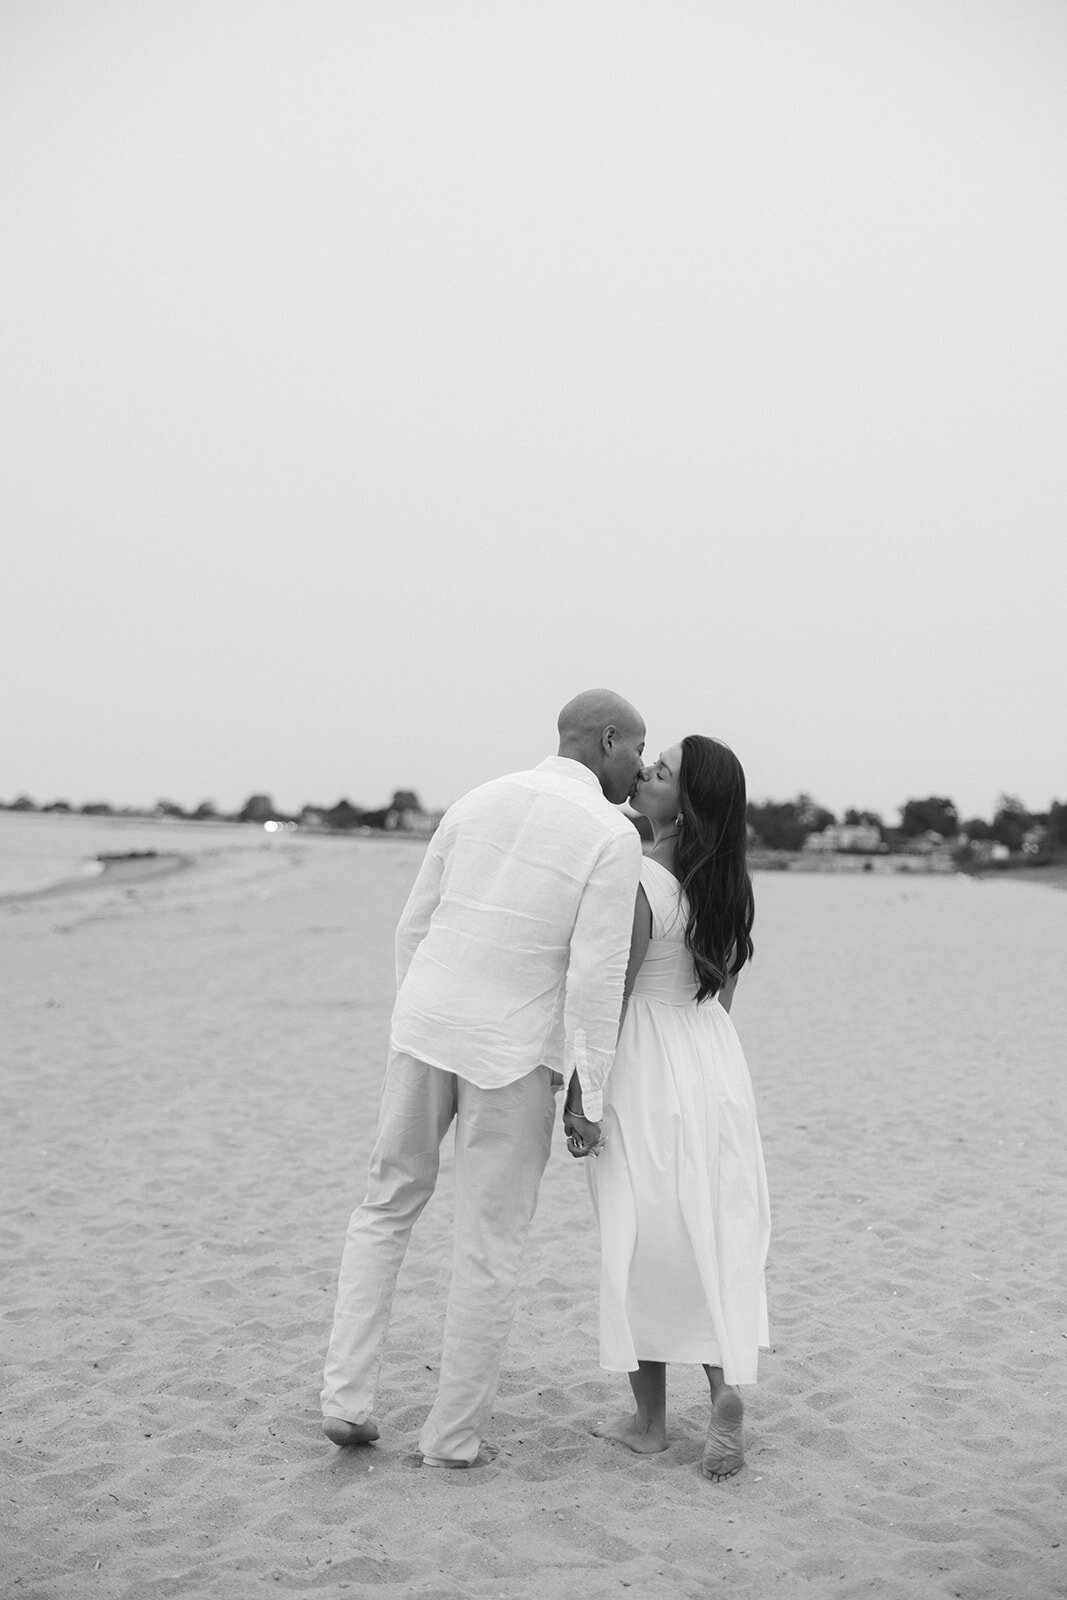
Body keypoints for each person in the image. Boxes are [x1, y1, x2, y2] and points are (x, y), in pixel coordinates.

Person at [321, 689, 646, 1466]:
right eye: (636, 749)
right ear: (606, 740)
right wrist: (587, 1092)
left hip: (426, 1027)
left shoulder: (476, 799)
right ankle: (451, 1438)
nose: (640, 767)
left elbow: (414, 922)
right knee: (489, 1242)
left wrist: (416, 1014)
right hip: (513, 1052)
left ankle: (344, 1398)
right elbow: (596, 978)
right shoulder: (610, 833)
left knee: (384, 1205)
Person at [568, 735, 771, 1481]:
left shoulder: (642, 881)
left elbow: (611, 995)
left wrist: (582, 1096)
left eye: (663, 773)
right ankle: (721, 1391)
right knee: (706, 1226)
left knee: (639, 1227)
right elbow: (720, 995)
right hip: (711, 1060)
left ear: (683, 806)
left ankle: (650, 1423)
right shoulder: (726, 887)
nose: (646, 774)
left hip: (647, 1058)